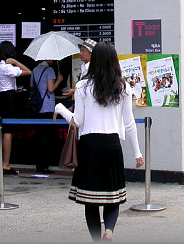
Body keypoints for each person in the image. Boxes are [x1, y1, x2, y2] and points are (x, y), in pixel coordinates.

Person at [54, 42, 144, 242]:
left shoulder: (82, 86)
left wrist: (60, 109)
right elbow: (129, 124)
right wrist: (137, 153)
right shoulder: (123, 87)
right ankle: (108, 232)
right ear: (114, 60)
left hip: (88, 145)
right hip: (112, 144)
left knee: (90, 200)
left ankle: (96, 240)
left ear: (93, 60)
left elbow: (77, 121)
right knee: (113, 197)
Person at [0, 40, 31, 175]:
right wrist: (15, 62)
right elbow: (28, 71)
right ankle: (5, 164)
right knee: (8, 132)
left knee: (0, 130)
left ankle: (0, 162)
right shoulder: (7, 67)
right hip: (9, 98)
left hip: (0, 97)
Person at [30, 59, 63, 174]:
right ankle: (44, 166)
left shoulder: (34, 70)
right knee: (46, 137)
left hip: (36, 107)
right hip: (47, 107)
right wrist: (59, 80)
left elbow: (31, 87)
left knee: (38, 136)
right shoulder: (49, 70)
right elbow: (50, 89)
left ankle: (38, 165)